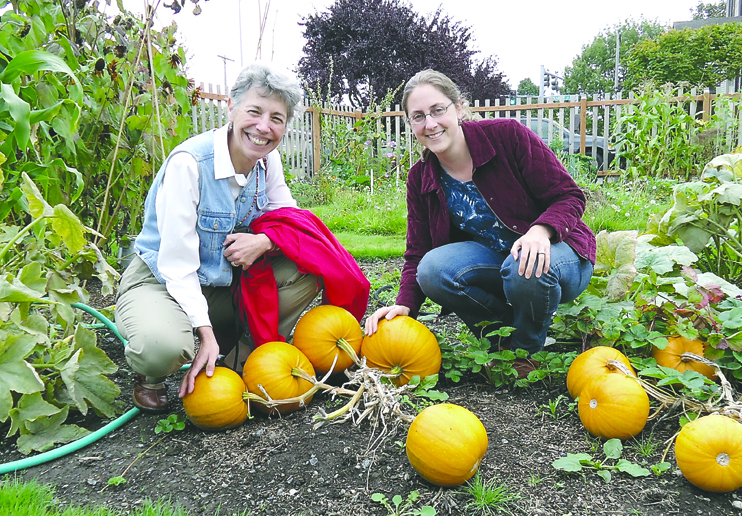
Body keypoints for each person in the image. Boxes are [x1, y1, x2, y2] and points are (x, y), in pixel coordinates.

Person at [115, 63, 368, 413]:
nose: (264, 127)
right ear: (231, 108)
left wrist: (266, 241)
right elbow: (176, 265)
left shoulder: (267, 162)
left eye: (277, 118)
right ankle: (152, 375)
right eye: (255, 111)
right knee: (162, 347)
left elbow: (292, 221)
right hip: (161, 281)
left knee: (308, 266)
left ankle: (244, 357)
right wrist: (204, 333)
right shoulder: (190, 164)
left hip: (221, 283)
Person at [364, 69, 596, 378]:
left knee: (524, 264)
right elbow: (418, 252)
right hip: (497, 261)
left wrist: (540, 231)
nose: (430, 124)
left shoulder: (507, 136)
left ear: (458, 108)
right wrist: (406, 305)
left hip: (559, 252)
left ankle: (525, 353)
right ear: (411, 124)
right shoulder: (421, 177)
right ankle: (503, 340)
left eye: (438, 110)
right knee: (432, 270)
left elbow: (569, 196)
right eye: (418, 117)